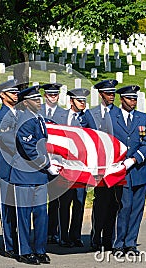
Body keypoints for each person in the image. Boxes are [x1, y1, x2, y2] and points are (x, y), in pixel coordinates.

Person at [10, 85, 59, 265]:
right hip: (25, 174)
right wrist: (47, 165)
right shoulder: (24, 120)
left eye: (39, 99)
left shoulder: (38, 118)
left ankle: (39, 249)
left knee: (41, 214)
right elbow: (29, 148)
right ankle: (25, 251)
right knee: (24, 215)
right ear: (25, 102)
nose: (39, 102)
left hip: (39, 175)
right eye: (35, 99)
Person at [111, 85, 146, 257]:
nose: (133, 102)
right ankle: (118, 244)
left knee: (137, 209)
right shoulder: (112, 117)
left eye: (135, 99)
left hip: (139, 171)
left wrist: (134, 159)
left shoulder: (143, 118)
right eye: (129, 99)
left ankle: (130, 243)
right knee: (124, 207)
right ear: (121, 99)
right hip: (121, 171)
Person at [83, 79, 121, 253]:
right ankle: (96, 237)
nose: (111, 96)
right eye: (108, 93)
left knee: (114, 204)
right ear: (101, 94)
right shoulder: (91, 114)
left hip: (116, 166)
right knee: (101, 203)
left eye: (113, 93)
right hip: (99, 167)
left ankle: (109, 239)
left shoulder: (119, 114)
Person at [57, 88, 90, 248]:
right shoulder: (60, 116)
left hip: (81, 167)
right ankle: (63, 235)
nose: (82, 103)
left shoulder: (87, 118)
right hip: (65, 167)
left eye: (84, 101)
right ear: (71, 101)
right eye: (79, 100)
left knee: (79, 202)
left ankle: (75, 235)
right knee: (64, 203)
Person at [0, 79, 19, 259]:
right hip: (4, 169)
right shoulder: (2, 117)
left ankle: (15, 242)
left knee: (15, 208)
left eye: (16, 92)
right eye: (12, 92)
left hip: (15, 169)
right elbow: (8, 143)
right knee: (7, 209)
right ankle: (9, 245)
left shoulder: (16, 114)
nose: (16, 94)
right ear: (2, 95)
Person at [38, 83, 67, 245]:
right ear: (45, 96)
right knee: (40, 200)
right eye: (50, 95)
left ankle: (53, 231)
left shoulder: (63, 113)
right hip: (41, 162)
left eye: (55, 95)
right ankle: (40, 231)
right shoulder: (37, 111)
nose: (53, 97)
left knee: (55, 200)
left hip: (57, 162)